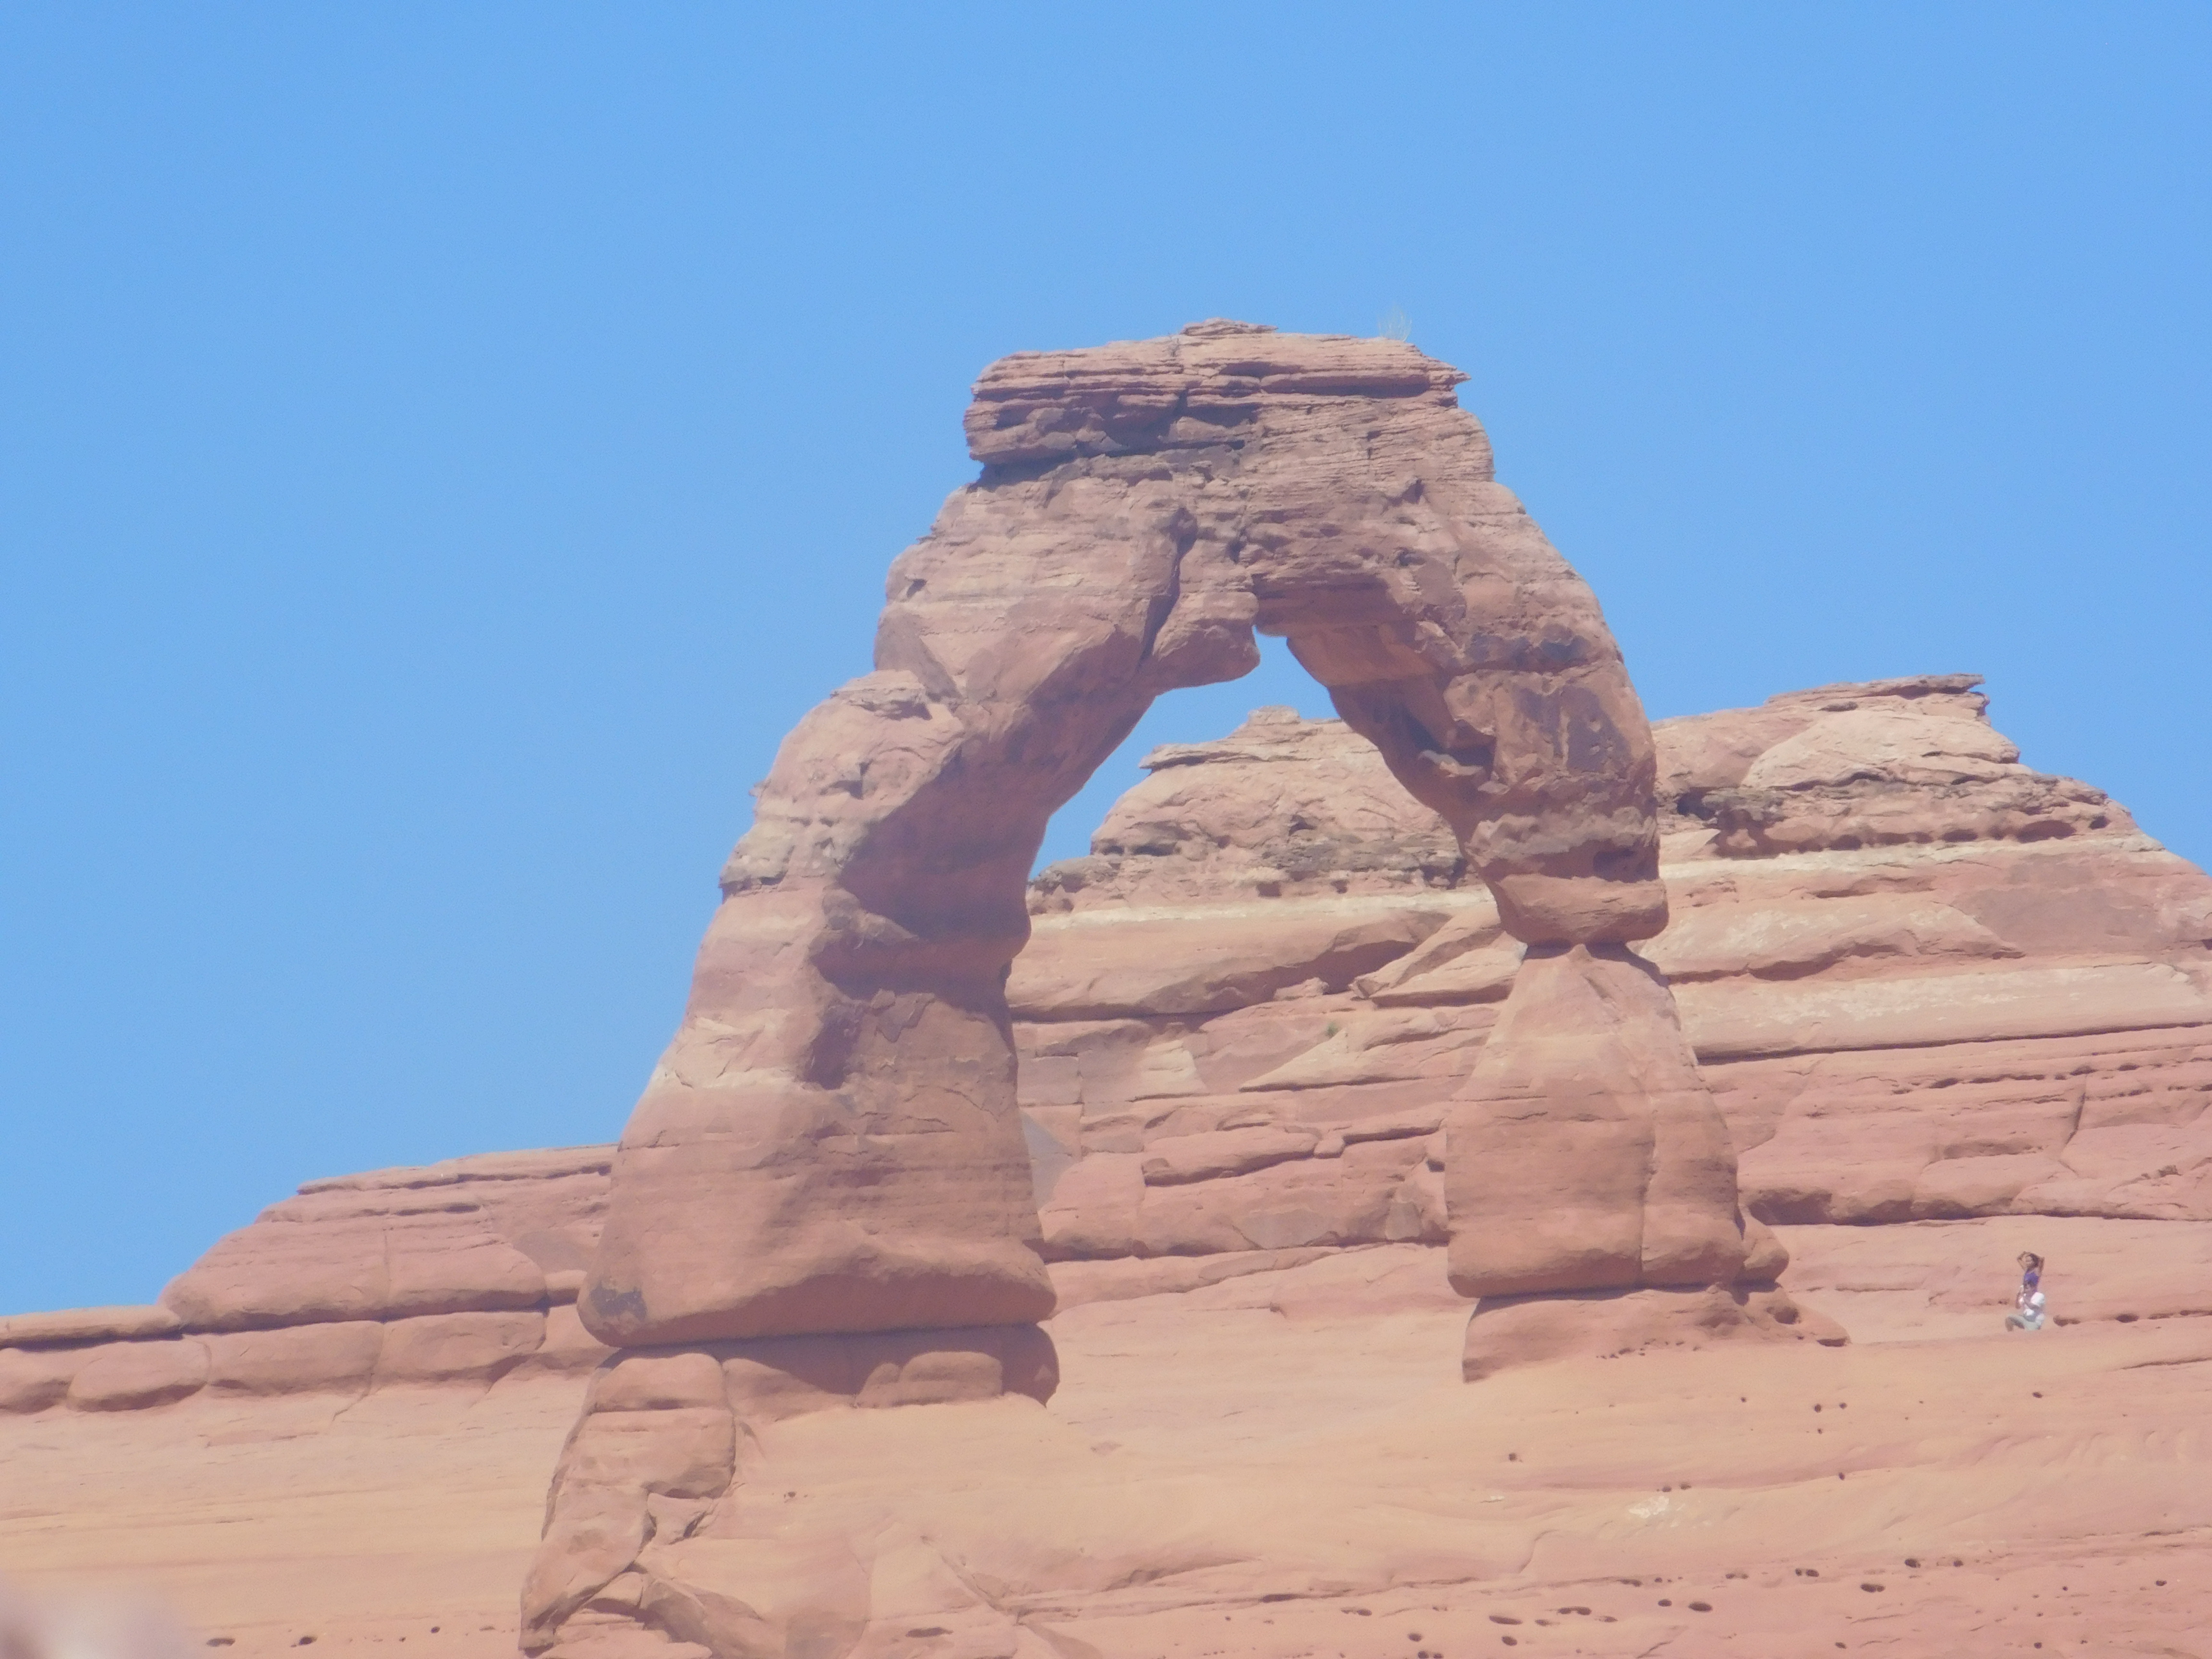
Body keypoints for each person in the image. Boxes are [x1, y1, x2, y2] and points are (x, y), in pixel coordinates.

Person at [2006, 1251, 2047, 1331]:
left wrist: (2031, 1253)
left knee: (2033, 1307)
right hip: (2025, 1290)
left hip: (2033, 1292)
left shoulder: (2037, 1271)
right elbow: (2018, 1259)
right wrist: (2023, 1254)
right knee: (2022, 1308)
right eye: (2026, 1261)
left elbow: (2042, 1259)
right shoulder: (2027, 1270)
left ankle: (2034, 1324)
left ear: (2034, 1261)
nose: (2027, 1263)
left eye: (2029, 1261)